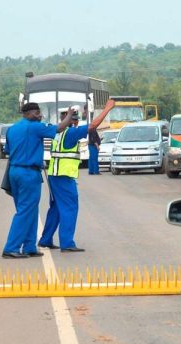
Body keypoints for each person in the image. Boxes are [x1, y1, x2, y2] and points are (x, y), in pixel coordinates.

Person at [38, 99, 115, 252]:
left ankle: (46, 240)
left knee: (56, 208)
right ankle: (67, 243)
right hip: (64, 177)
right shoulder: (71, 132)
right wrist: (107, 109)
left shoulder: (57, 132)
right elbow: (93, 126)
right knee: (70, 208)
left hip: (54, 175)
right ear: (74, 121)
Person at [1, 102, 73, 259]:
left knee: (30, 209)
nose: (39, 115)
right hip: (28, 173)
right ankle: (10, 247)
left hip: (14, 172)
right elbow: (59, 128)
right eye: (36, 113)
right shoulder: (35, 127)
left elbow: (8, 150)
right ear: (26, 114)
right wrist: (68, 116)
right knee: (25, 210)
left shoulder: (12, 129)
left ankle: (29, 247)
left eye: (40, 113)